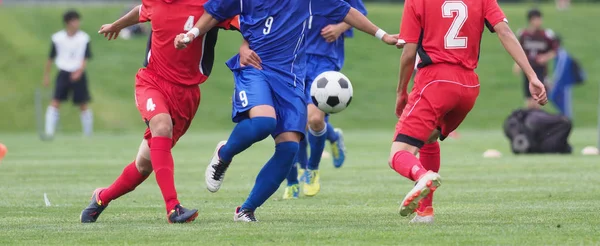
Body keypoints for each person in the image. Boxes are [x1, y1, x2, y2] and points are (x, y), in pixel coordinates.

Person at [175, 0, 398, 222]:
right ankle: (224, 154)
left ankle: (247, 209)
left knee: (289, 147)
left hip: (291, 79)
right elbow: (215, 13)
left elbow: (347, 11)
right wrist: (191, 35)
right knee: (263, 122)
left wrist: (383, 35)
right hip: (256, 67)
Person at [79, 1, 242, 224]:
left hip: (186, 96)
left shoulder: (209, 5)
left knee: (144, 165)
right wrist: (117, 25)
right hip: (152, 81)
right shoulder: (156, 2)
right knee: (162, 125)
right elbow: (141, 10)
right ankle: (173, 207)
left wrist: (250, 45)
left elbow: (246, 21)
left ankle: (101, 198)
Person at [391, 0, 547, 224]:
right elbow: (504, 31)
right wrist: (532, 76)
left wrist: (401, 91)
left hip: (435, 81)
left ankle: (422, 176)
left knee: (398, 154)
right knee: (428, 138)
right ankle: (425, 213)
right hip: (468, 86)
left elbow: (408, 54)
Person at [281, 0, 367, 200]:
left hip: (325, 58)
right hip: (294, 58)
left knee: (315, 119)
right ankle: (295, 178)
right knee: (296, 121)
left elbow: (359, 11)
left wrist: (340, 27)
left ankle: (312, 170)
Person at [43, 10, 93, 139]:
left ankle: (88, 134)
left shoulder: (84, 38)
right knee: (55, 101)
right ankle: (49, 133)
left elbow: (85, 57)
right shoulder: (57, 38)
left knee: (83, 103)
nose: (77, 23)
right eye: (74, 20)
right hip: (63, 72)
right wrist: (47, 75)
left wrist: (79, 72)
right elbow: (50, 57)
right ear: (68, 22)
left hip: (78, 73)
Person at [513, 9, 558, 109]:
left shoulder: (546, 35)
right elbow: (519, 49)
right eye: (536, 19)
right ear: (531, 20)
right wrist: (517, 64)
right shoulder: (523, 34)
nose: (539, 21)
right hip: (528, 69)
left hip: (540, 70)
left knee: (537, 101)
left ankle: (536, 120)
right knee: (528, 101)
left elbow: (555, 50)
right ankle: (529, 121)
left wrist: (545, 57)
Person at [549, 36, 585, 119]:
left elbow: (560, 70)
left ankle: (567, 122)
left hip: (564, 84)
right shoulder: (558, 54)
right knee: (553, 98)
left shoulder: (562, 54)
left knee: (566, 106)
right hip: (560, 84)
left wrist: (553, 81)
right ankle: (563, 119)